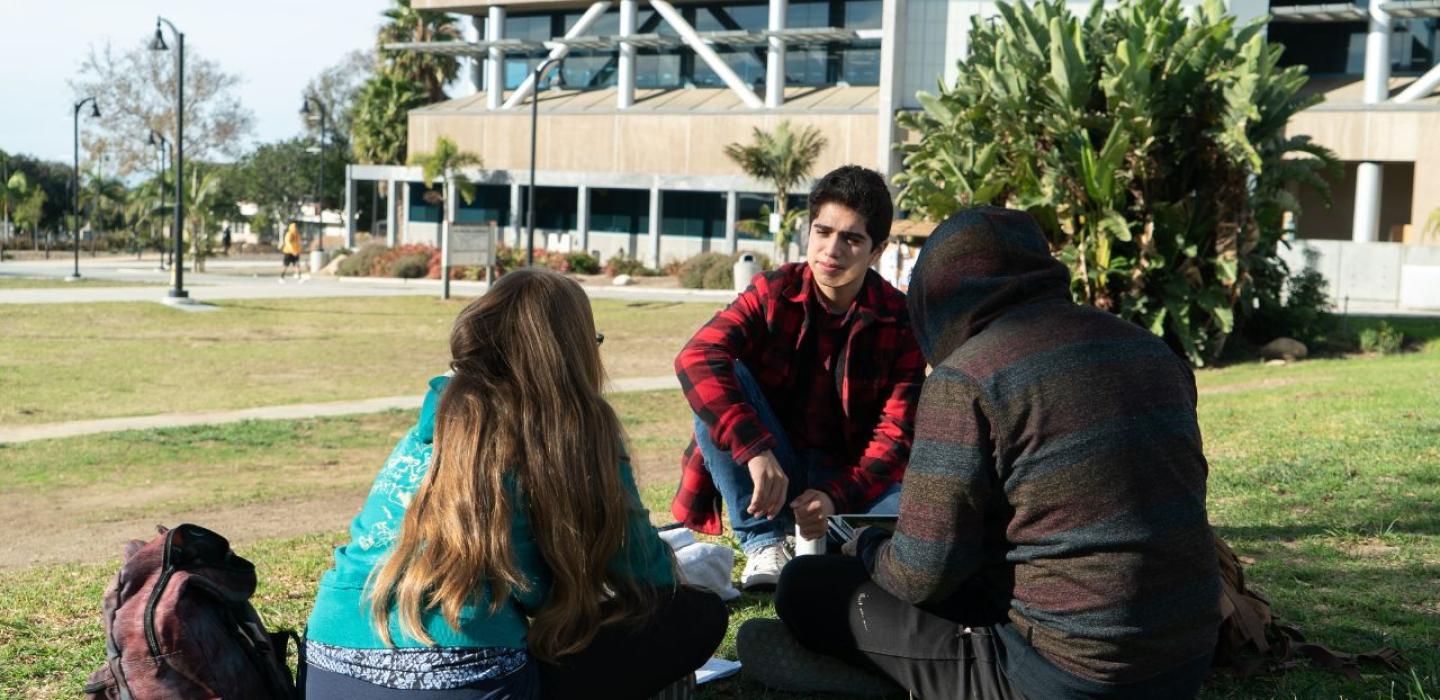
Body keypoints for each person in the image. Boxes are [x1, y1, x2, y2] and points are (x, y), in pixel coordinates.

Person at [743, 206, 1220, 699]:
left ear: (936, 294)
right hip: (1187, 658)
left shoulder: (969, 376)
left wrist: (863, 545)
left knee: (807, 586)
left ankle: (890, 681)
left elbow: (919, 576)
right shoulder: (1152, 351)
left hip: (1067, 676)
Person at [305, 268, 728, 699]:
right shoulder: (577, 430)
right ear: (573, 352)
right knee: (693, 615)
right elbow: (644, 573)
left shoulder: (432, 424)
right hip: (465, 678)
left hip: (328, 666)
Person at [672, 165, 926, 590]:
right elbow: (696, 357)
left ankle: (832, 533)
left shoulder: (900, 320)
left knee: (906, 519)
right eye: (822, 231)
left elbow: (895, 437)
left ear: (877, 249)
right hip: (769, 466)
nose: (831, 250)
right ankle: (764, 541)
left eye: (851, 238)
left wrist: (834, 496)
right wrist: (754, 449)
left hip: (848, 478)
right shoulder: (773, 291)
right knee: (719, 376)